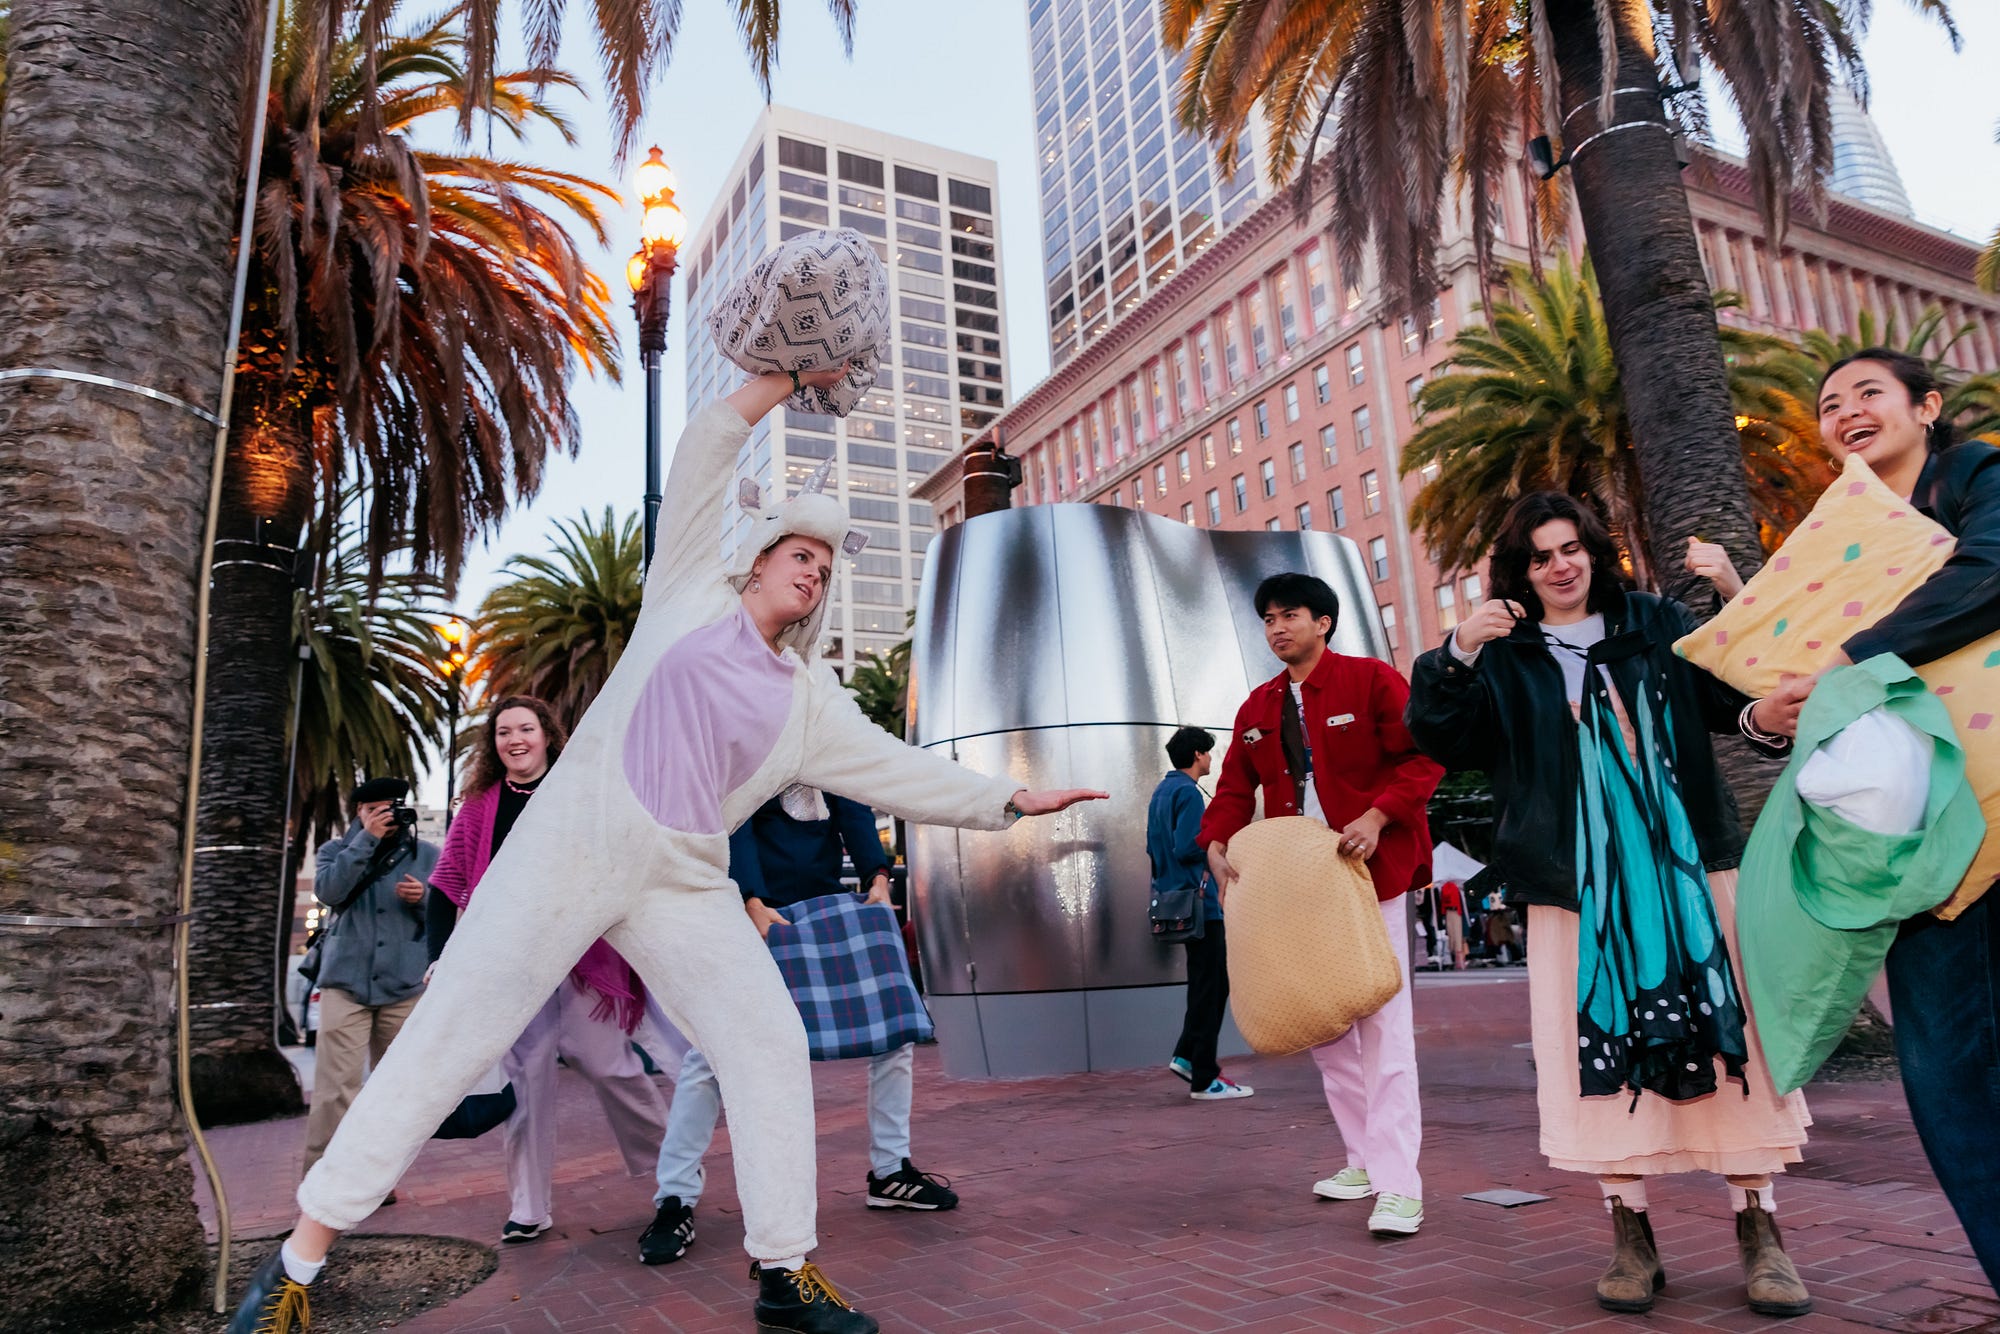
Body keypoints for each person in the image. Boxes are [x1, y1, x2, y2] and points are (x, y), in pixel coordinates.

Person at [226, 365, 1107, 1334]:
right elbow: (702, 450)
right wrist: (783, 378)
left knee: (768, 1039)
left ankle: (783, 1270)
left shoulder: (809, 699)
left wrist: (1009, 797)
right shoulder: (688, 590)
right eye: (797, 554)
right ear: (760, 559)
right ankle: (296, 1269)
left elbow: (897, 771)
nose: (811, 572)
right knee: (449, 1034)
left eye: (823, 566)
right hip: (569, 848)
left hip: (682, 882)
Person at [1407, 492, 1813, 1317]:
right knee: (1594, 1051)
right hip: (1573, 888)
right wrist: (1456, 652)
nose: (1560, 566)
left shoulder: (1655, 620)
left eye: (1571, 548)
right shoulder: (1509, 655)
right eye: (1540, 556)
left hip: (1690, 869)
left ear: (1595, 550)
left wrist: (1761, 715)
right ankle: (1630, 1233)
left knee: (1734, 1042)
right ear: (1519, 572)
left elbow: (1728, 701)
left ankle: (1760, 1229)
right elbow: (1440, 736)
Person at [1735, 347, 2000, 1288]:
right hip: (1921, 853)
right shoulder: (1828, 544)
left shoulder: (1972, 475)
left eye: (1868, 394)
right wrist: (1763, 717)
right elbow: (1778, 682)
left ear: (1927, 407)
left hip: (1995, 816)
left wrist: (1857, 656)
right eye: (1829, 403)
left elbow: (1994, 566)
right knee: (1949, 1086)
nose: (1846, 411)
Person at [1200, 573, 1442, 1237]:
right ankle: (1363, 1159)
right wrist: (1215, 842)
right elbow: (1230, 788)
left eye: (1291, 615)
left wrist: (1378, 815)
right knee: (1324, 1029)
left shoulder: (1372, 681)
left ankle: (1399, 1187)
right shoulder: (1256, 707)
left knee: (1384, 1032)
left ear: (1324, 621)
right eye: (1269, 619)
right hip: (1291, 883)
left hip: (1371, 876)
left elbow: (1423, 759)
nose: (1278, 628)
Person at [640, 792, 955, 1267]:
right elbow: (737, 822)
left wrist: (878, 876)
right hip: (748, 915)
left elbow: (853, 804)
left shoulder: (820, 740)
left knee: (894, 1036)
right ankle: (674, 1199)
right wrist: (751, 899)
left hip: (823, 910)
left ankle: (891, 1173)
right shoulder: (746, 742)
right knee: (708, 1058)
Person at [427, 696, 668, 1244]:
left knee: (609, 1064)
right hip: (512, 965)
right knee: (525, 1077)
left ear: (547, 736)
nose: (515, 739)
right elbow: (443, 888)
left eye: (526, 728)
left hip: (586, 957)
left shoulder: (580, 794)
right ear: (495, 745)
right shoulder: (480, 806)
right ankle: (528, 1208)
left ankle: (674, 1176)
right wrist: (439, 957)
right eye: (504, 731)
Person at [303, 777, 438, 1180]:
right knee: (334, 1090)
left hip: (403, 986)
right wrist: (365, 841)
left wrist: (426, 898)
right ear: (358, 812)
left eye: (388, 808)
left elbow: (450, 911)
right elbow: (328, 891)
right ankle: (324, 1182)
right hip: (345, 984)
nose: (382, 815)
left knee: (394, 1090)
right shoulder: (334, 850)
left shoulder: (426, 855)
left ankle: (378, 1179)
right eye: (371, 809)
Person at [1148, 726, 1251, 1101]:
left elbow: (1155, 849)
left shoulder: (1162, 791)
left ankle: (1188, 1057)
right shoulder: (1188, 793)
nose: (1210, 758)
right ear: (1196, 755)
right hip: (1202, 902)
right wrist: (1220, 846)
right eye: (1207, 752)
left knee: (1203, 984)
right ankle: (1205, 1077)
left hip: (1177, 901)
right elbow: (1187, 845)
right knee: (1213, 986)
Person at [1438, 879, 1468, 970]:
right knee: (1457, 936)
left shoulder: (1444, 888)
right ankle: (1459, 960)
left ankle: (1455, 959)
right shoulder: (1455, 887)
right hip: (1456, 912)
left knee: (1452, 936)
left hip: (1449, 912)